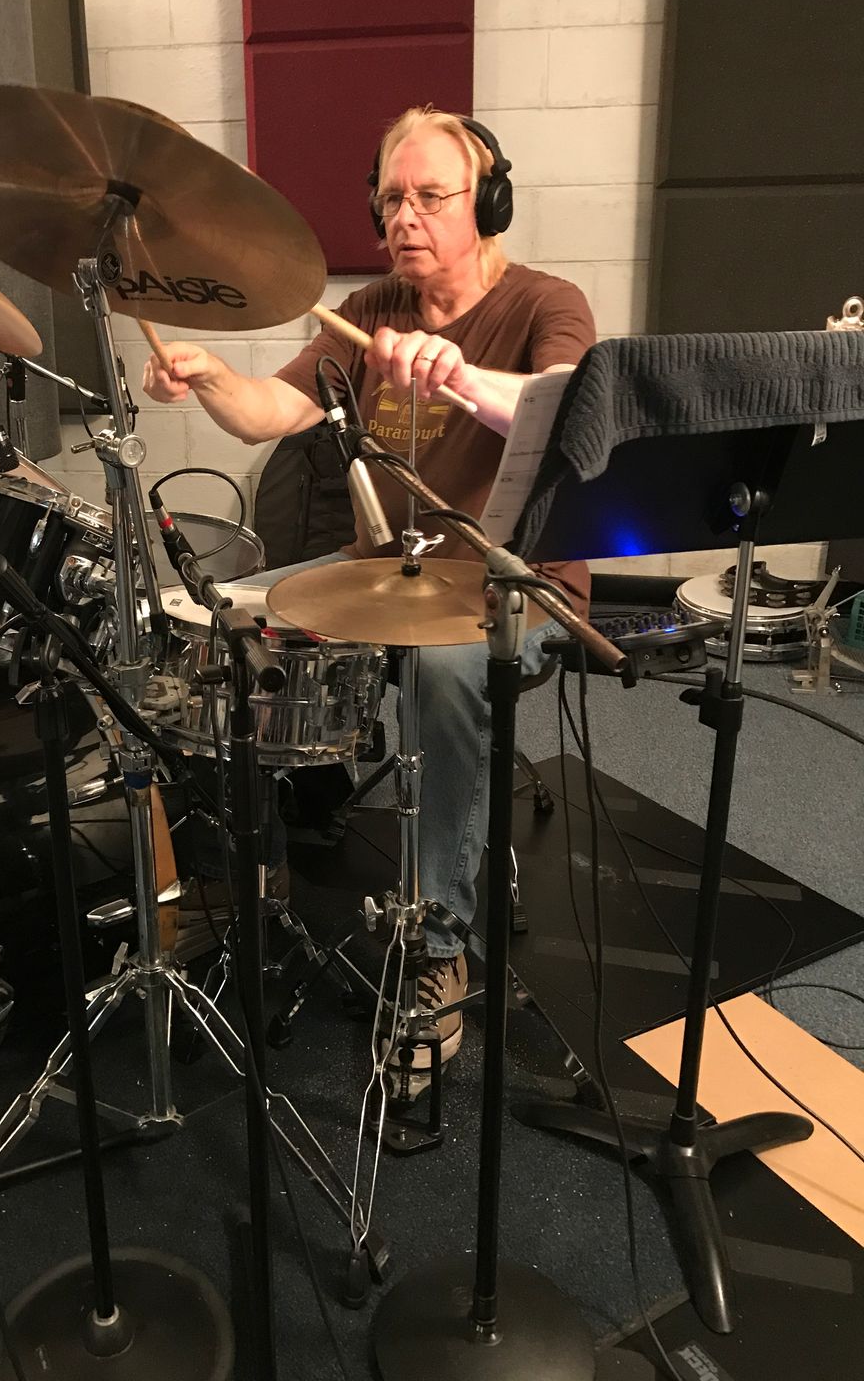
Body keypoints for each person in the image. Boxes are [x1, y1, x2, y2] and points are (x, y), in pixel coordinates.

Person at [144, 107, 596, 1067]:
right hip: (381, 571)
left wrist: (461, 374)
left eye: (432, 196)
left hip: (512, 585)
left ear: (489, 202)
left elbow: (565, 412)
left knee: (445, 674)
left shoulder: (547, 305)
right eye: (392, 198)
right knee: (211, 629)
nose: (406, 216)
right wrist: (212, 374)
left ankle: (440, 945)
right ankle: (247, 884)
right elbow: (272, 412)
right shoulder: (374, 309)